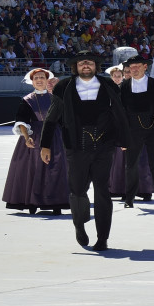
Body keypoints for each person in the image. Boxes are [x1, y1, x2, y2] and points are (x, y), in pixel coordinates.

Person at [40, 50, 131, 252]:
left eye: (89, 62)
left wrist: (125, 139)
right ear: (76, 66)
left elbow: (120, 113)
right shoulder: (63, 86)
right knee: (78, 191)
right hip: (76, 145)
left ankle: (103, 238)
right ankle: (79, 225)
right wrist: (45, 145)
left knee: (102, 191)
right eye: (82, 63)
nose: (86, 65)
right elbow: (52, 117)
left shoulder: (108, 85)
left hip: (104, 145)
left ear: (96, 66)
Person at [2, 67, 68, 215]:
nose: (39, 80)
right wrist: (26, 137)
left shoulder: (56, 99)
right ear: (32, 82)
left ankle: (56, 202)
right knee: (32, 168)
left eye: (42, 77)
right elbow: (21, 120)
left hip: (55, 137)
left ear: (47, 80)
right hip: (35, 136)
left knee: (55, 168)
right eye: (36, 78)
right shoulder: (27, 100)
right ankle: (31, 202)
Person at [118, 53, 154, 209]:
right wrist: (122, 136)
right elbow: (120, 112)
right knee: (130, 165)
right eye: (131, 67)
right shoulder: (124, 87)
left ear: (145, 67)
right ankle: (129, 199)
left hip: (153, 130)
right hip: (132, 131)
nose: (134, 69)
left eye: (137, 66)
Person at [106, 64, 152, 202]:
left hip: (138, 128)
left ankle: (143, 189)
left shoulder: (142, 87)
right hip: (120, 128)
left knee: (140, 159)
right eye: (125, 72)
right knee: (120, 160)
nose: (127, 74)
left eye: (127, 72)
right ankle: (120, 188)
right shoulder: (116, 89)